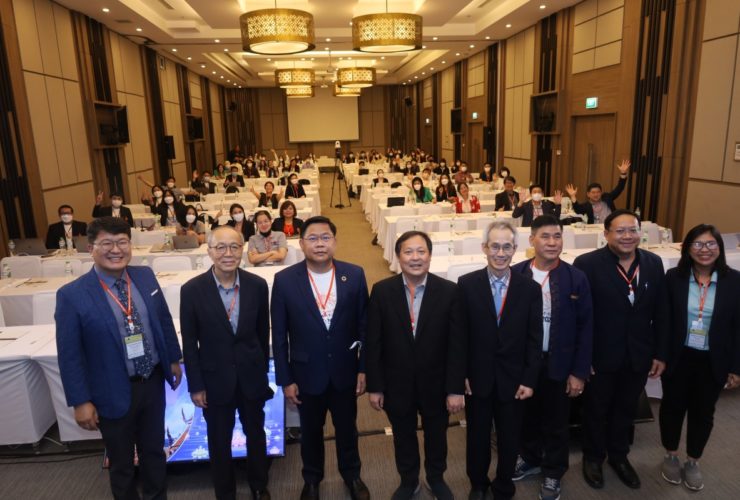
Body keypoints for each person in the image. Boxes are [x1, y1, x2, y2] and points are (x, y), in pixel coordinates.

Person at [55, 216, 182, 499]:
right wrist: (80, 401)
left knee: (154, 452)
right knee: (122, 464)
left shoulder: (144, 276)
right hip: (110, 389)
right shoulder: (72, 295)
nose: (116, 250)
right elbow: (70, 355)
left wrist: (173, 358)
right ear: (90, 248)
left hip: (151, 381)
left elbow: (162, 319)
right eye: (107, 243)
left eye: (122, 242)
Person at [271, 216, 371, 500]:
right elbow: (279, 335)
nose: (319, 244)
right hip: (305, 373)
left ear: (335, 242)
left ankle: (352, 475)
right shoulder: (285, 280)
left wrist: (363, 368)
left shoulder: (354, 275)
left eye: (325, 237)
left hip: (344, 369)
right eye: (312, 238)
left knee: (347, 430)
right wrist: (285, 379)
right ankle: (312, 479)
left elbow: (365, 327)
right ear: (301, 244)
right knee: (310, 432)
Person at [366, 231, 465, 500]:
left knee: (437, 436)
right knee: (403, 436)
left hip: (437, 383)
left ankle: (436, 478)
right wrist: (375, 386)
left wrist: (455, 388)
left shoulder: (449, 291)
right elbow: (373, 343)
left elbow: (457, 345)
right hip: (396, 383)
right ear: (398, 256)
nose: (415, 257)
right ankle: (409, 480)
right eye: (408, 252)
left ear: (430, 256)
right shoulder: (382, 291)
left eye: (421, 251)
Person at [574, 209, 666, 490]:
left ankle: (619, 456)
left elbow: (661, 312)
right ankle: (592, 457)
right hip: (600, 354)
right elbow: (579, 316)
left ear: (640, 233)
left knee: (626, 409)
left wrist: (660, 353)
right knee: (595, 409)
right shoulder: (587, 264)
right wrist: (582, 357)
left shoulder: (653, 263)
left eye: (633, 230)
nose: (627, 236)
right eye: (620, 231)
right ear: (606, 234)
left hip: (638, 353)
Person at [180, 226, 273, 500]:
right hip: (214, 379)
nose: (228, 253)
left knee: (256, 433)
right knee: (219, 440)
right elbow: (190, 343)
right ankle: (225, 492)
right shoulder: (192, 290)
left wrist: (260, 371)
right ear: (209, 251)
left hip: (251, 377)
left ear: (242, 249)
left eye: (234, 246)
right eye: (220, 247)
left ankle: (259, 485)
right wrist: (196, 385)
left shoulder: (257, 285)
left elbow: (261, 333)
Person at [457, 220, 543, 500]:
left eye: (507, 247)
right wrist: (461, 374)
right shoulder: (466, 284)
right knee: (477, 436)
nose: (501, 253)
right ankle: (478, 484)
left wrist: (529, 379)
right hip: (477, 377)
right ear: (484, 247)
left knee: (509, 437)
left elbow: (534, 339)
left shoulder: (529, 289)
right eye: (495, 246)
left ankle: (504, 484)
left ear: (516, 249)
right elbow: (460, 336)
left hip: (514, 379)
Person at [510, 215, 593, 500]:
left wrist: (579, 372)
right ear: (531, 240)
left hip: (560, 362)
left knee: (556, 422)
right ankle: (530, 458)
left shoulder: (575, 277)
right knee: (526, 417)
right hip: (524, 364)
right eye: (545, 236)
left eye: (557, 236)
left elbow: (586, 327)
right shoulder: (517, 274)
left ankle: (554, 472)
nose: (552, 242)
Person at [658, 224, 740, 491]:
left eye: (711, 244)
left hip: (714, 358)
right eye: (698, 244)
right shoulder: (674, 277)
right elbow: (664, 321)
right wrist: (660, 355)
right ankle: (671, 454)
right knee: (672, 407)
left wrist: (736, 367)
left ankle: (693, 460)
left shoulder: (735, 281)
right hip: (678, 356)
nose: (705, 250)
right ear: (687, 248)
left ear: (720, 248)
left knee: (703, 412)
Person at [565, 160, 630, 224]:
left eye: (598, 192)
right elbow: (578, 210)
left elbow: (619, 188)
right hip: (594, 228)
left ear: (601, 193)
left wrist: (623, 173)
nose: (596, 194)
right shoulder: (587, 205)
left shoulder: (607, 198)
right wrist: (573, 196)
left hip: (611, 226)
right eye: (593, 192)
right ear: (588, 194)